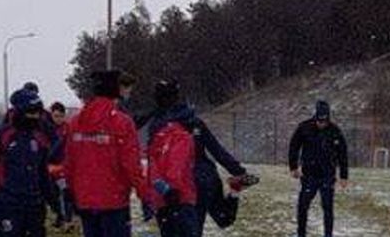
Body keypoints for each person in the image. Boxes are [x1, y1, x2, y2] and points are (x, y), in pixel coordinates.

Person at [143, 80, 259, 235]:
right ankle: (234, 192)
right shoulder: (193, 121)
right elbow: (216, 149)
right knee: (223, 218)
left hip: (180, 185)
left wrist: (154, 192)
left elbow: (155, 160)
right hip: (205, 177)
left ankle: (234, 191)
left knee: (182, 227)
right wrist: (238, 170)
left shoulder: (158, 126)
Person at [64, 70, 147, 237]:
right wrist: (145, 194)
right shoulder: (122, 122)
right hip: (113, 200)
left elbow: (70, 161)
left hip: (85, 199)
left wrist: (71, 191)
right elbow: (131, 164)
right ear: (116, 90)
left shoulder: (76, 122)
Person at [0, 88, 58, 237]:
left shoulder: (39, 138)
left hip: (34, 206)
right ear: (20, 112)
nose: (35, 117)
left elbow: (42, 173)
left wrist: (54, 203)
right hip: (8, 206)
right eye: (31, 113)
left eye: (38, 113)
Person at [288, 100, 349, 237]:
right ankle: (301, 234)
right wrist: (293, 166)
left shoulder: (335, 131)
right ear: (315, 117)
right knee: (303, 206)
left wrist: (344, 176)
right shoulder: (304, 128)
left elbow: (342, 154)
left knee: (328, 207)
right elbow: (294, 146)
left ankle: (328, 234)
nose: (322, 124)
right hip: (309, 175)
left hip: (327, 175)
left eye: (324, 121)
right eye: (319, 121)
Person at [144, 97, 201, 237]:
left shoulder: (160, 136)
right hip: (180, 198)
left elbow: (152, 165)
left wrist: (159, 188)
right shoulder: (183, 137)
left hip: (160, 200)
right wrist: (172, 190)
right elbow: (176, 166)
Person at [47, 101, 74, 229]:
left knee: (66, 193)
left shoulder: (68, 128)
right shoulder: (47, 129)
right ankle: (58, 216)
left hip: (64, 166)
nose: (58, 118)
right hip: (50, 167)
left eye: (60, 116)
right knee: (52, 194)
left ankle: (68, 219)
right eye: (55, 116)